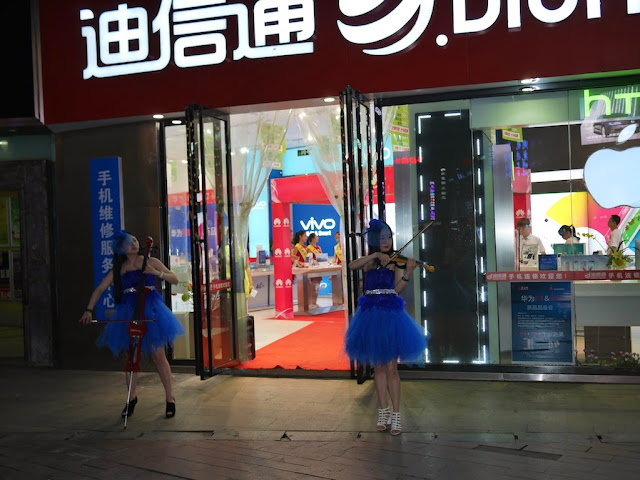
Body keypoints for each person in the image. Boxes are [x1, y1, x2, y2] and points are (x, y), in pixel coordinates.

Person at [79, 231, 185, 419]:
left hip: (152, 309)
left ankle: (170, 398)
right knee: (131, 357)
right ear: (121, 249)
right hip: (129, 311)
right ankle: (131, 398)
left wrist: (156, 273)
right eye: (129, 242)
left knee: (158, 355)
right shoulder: (119, 269)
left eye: (135, 240)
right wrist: (88, 309)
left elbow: (174, 278)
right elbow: (100, 288)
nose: (134, 244)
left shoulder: (150, 261)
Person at [344, 220, 427, 436]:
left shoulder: (396, 262)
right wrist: (373, 256)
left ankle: (397, 414)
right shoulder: (369, 263)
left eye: (388, 238)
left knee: (391, 367)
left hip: (390, 316)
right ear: (373, 241)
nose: (386, 242)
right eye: (381, 239)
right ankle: (384, 411)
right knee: (378, 367)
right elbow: (352, 265)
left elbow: (398, 289)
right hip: (370, 315)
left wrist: (408, 272)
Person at [306, 233, 322, 309]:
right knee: (312, 286)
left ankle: (315, 302)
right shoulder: (309, 248)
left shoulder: (318, 247)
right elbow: (309, 259)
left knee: (317, 287)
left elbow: (322, 257)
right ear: (312, 238)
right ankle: (311, 303)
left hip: (319, 268)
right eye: (316, 237)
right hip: (313, 269)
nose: (318, 238)